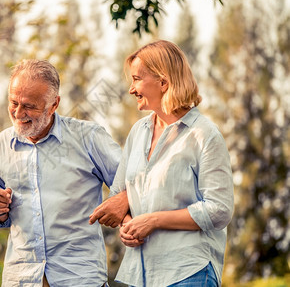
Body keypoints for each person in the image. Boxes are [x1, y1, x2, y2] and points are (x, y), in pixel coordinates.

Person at [91, 40, 234, 287]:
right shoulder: (138, 131)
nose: (131, 89)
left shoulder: (204, 135)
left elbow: (219, 209)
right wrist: (128, 225)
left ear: (163, 83)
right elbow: (119, 193)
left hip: (188, 273)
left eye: (136, 79)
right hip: (140, 274)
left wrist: (153, 220)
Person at [0, 59, 124, 286]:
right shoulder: (0, 146)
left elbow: (134, 182)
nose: (19, 113)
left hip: (78, 278)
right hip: (21, 278)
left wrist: (123, 197)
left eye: (29, 106)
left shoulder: (88, 138)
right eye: (13, 102)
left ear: (54, 104)